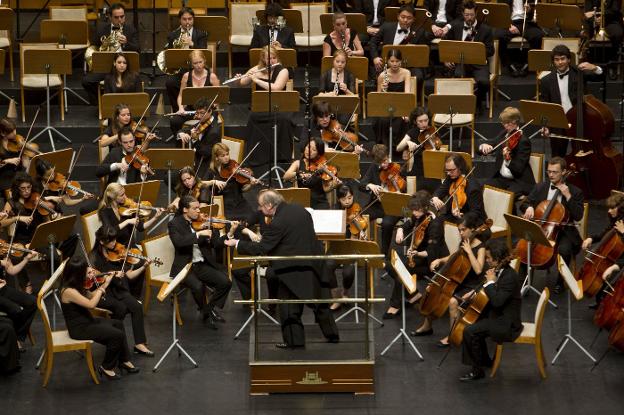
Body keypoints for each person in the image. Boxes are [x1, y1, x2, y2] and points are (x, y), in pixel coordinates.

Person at [225, 189, 340, 348]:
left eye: (261, 206)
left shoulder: (277, 223)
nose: (259, 209)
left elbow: (263, 248)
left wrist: (237, 243)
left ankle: (294, 342)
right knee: (320, 305)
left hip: (291, 270)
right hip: (314, 263)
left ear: (270, 205)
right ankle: (333, 336)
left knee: (288, 309)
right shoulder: (300, 209)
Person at [60, 255, 139, 380]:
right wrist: (101, 289)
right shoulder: (69, 291)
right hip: (79, 329)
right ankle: (106, 367)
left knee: (117, 324)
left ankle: (124, 360)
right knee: (117, 335)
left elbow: (91, 295)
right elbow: (91, 304)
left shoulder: (77, 285)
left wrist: (106, 282)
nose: (90, 271)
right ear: (78, 273)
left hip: (87, 321)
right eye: (86, 270)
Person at [414, 212, 488, 343]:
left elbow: (478, 270)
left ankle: (451, 335)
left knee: (453, 302)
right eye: (459, 230)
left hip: (472, 284)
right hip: (460, 279)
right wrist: (439, 260)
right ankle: (427, 326)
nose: (461, 233)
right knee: (434, 291)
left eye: (463, 230)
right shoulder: (465, 241)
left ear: (472, 229)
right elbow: (454, 256)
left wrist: (470, 251)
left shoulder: (480, 247)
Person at [460, 239, 522, 381]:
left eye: (488, 258)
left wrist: (490, 283)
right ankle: (484, 360)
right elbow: (491, 292)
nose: (486, 260)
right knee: (475, 323)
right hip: (498, 315)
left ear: (498, 259)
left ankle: (477, 371)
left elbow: (498, 301)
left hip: (507, 323)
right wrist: (475, 294)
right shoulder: (498, 270)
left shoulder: (510, 277)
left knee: (469, 331)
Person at [521, 157, 584, 293]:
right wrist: (529, 207)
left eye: (555, 172)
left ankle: (560, 281)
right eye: (549, 171)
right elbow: (525, 203)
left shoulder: (575, 191)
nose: (550, 175)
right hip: (542, 227)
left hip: (564, 231)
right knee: (524, 246)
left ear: (564, 172)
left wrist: (568, 196)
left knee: (565, 250)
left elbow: (578, 215)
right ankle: (525, 279)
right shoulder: (540, 187)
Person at [168, 196, 232, 329]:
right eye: (195, 208)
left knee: (225, 282)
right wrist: (198, 234)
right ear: (185, 210)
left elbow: (216, 244)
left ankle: (207, 310)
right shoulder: (174, 224)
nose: (199, 211)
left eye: (199, 208)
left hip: (201, 264)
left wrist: (227, 233)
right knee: (198, 287)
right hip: (185, 266)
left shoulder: (202, 222)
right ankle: (208, 314)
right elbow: (179, 242)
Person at [89, 225, 153, 356]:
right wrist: (110, 275)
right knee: (121, 310)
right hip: (105, 291)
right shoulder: (94, 257)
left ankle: (139, 344)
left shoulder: (120, 252)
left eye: (114, 239)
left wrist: (144, 267)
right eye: (110, 241)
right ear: (101, 241)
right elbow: (94, 279)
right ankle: (116, 342)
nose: (114, 243)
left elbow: (129, 275)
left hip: (120, 289)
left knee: (136, 306)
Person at [387, 191, 447, 318]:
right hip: (417, 256)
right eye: (413, 210)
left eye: (417, 210)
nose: (414, 213)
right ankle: (413, 294)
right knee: (389, 265)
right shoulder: (418, 216)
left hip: (431, 261)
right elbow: (406, 223)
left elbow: (432, 251)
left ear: (426, 207)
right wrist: (400, 230)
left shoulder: (435, 224)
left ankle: (395, 305)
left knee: (402, 270)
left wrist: (417, 253)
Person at [539, 45, 604, 157]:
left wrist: (593, 67)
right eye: (557, 59)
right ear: (553, 61)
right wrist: (545, 125)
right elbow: (546, 105)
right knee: (557, 154)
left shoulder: (579, 73)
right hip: (559, 120)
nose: (560, 62)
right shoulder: (546, 81)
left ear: (569, 59)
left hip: (579, 119)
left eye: (563, 58)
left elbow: (599, 76)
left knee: (582, 153)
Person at [239, 47, 294, 168]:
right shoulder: (258, 69)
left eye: (274, 58)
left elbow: (276, 88)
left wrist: (256, 80)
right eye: (269, 58)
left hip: (278, 108)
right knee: (253, 117)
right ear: (263, 59)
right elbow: (242, 82)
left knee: (283, 120)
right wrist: (244, 77)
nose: (272, 61)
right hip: (261, 108)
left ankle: (282, 157)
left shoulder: (283, 71)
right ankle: (256, 158)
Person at [82, 3, 140, 105]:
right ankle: (102, 103)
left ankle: (127, 106)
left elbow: (138, 49)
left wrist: (127, 43)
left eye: (122, 17)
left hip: (125, 67)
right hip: (106, 68)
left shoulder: (131, 29)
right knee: (87, 81)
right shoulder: (101, 29)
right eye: (116, 17)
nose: (120, 20)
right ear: (109, 17)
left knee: (135, 80)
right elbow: (93, 46)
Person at [444, 0, 494, 112]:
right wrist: (447, 59)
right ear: (462, 14)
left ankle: (477, 103)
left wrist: (477, 50)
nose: (469, 17)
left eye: (472, 15)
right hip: (461, 62)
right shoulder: (456, 26)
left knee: (484, 82)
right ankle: (462, 105)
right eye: (467, 15)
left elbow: (491, 50)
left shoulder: (486, 29)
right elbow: (446, 44)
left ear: (476, 13)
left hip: (479, 63)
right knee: (458, 76)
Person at [478, 106, 535, 197]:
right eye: (504, 123)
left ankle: (510, 212)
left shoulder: (524, 141)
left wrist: (508, 159)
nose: (505, 126)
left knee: (505, 196)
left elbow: (518, 169)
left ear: (515, 122)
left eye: (508, 123)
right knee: (481, 188)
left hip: (517, 181)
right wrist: (484, 145)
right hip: (501, 178)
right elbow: (493, 142)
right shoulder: (505, 133)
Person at [582, 192, 624, 307]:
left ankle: (605, 302)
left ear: (620, 209)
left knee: (611, 278)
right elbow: (604, 234)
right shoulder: (616, 221)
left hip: (621, 260)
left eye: (612, 208)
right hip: (615, 257)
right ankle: (600, 300)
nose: (609, 211)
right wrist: (591, 238)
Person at [164, 7, 208, 113]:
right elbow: (170, 55)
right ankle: (178, 110)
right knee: (170, 83)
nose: (187, 22)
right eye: (184, 19)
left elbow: (203, 52)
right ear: (180, 20)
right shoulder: (173, 35)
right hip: (180, 69)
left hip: (197, 69)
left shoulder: (201, 34)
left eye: (190, 19)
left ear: (193, 19)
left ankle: (199, 110)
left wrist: (192, 44)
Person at [169, 50, 220, 136]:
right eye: (195, 63)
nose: (199, 65)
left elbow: (218, 97)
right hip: (192, 110)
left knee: (210, 126)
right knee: (174, 121)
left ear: (204, 61)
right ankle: (181, 142)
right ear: (191, 64)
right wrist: (181, 108)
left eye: (200, 62)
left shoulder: (212, 77)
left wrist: (213, 105)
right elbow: (181, 95)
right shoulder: (186, 76)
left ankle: (200, 144)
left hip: (207, 111)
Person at [205, 143, 259, 222]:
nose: (226, 157)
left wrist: (251, 184)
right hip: (224, 205)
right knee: (229, 222)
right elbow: (201, 184)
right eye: (222, 156)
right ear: (216, 158)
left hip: (239, 201)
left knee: (252, 217)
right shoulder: (212, 171)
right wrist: (214, 182)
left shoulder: (234, 165)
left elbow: (243, 189)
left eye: (227, 154)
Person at [283, 136, 341, 209]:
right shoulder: (298, 163)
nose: (309, 151)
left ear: (318, 153)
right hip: (303, 202)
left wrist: (333, 185)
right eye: (308, 147)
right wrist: (299, 174)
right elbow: (286, 176)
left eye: (314, 150)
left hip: (319, 202)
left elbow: (325, 189)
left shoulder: (322, 165)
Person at [370, 4, 427, 78]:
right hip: (389, 63)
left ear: (414, 19)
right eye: (403, 17)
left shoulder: (420, 32)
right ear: (398, 16)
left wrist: (415, 48)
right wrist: (375, 57)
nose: (405, 20)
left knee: (418, 76)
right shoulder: (386, 27)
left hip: (410, 65)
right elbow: (373, 42)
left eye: (409, 18)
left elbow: (423, 52)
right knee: (380, 75)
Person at [396, 107, 442, 192]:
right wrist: (407, 143)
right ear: (415, 121)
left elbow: (439, 147)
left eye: (426, 120)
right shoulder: (412, 132)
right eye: (420, 121)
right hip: (418, 169)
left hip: (432, 168)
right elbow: (398, 148)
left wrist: (436, 146)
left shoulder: (433, 130)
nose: (424, 124)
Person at [493, 0, 544, 77]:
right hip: (510, 23)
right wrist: (509, 25)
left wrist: (530, 10)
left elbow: (539, 9)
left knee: (538, 35)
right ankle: (509, 65)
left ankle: (528, 65)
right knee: (499, 35)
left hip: (527, 23)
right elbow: (500, 13)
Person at [431, 153, 486, 223]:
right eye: (447, 170)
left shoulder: (473, 187)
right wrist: (435, 197)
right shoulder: (451, 178)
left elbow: (476, 213)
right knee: (435, 222)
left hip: (470, 220)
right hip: (453, 216)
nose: (448, 173)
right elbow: (441, 190)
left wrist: (461, 216)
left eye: (451, 170)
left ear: (460, 167)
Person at [374, 49, 411, 147]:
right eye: (392, 61)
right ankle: (384, 147)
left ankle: (402, 147)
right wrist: (382, 89)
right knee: (381, 120)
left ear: (401, 61)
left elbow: (407, 94)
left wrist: (405, 111)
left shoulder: (406, 73)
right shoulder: (382, 75)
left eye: (397, 61)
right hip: (386, 106)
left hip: (401, 105)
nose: (394, 64)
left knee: (405, 119)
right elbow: (377, 99)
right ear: (388, 62)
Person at [175, 97, 222, 176]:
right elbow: (187, 129)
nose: (199, 116)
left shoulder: (214, 131)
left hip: (205, 165)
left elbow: (206, 153)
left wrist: (195, 140)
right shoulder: (203, 122)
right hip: (195, 159)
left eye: (202, 113)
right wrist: (181, 134)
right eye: (197, 113)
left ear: (210, 111)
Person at [0, 253, 37, 351]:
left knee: (32, 302)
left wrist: (26, 259)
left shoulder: (2, 252)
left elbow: (11, 271)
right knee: (15, 309)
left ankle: (17, 336)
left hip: (2, 288)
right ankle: (13, 339)